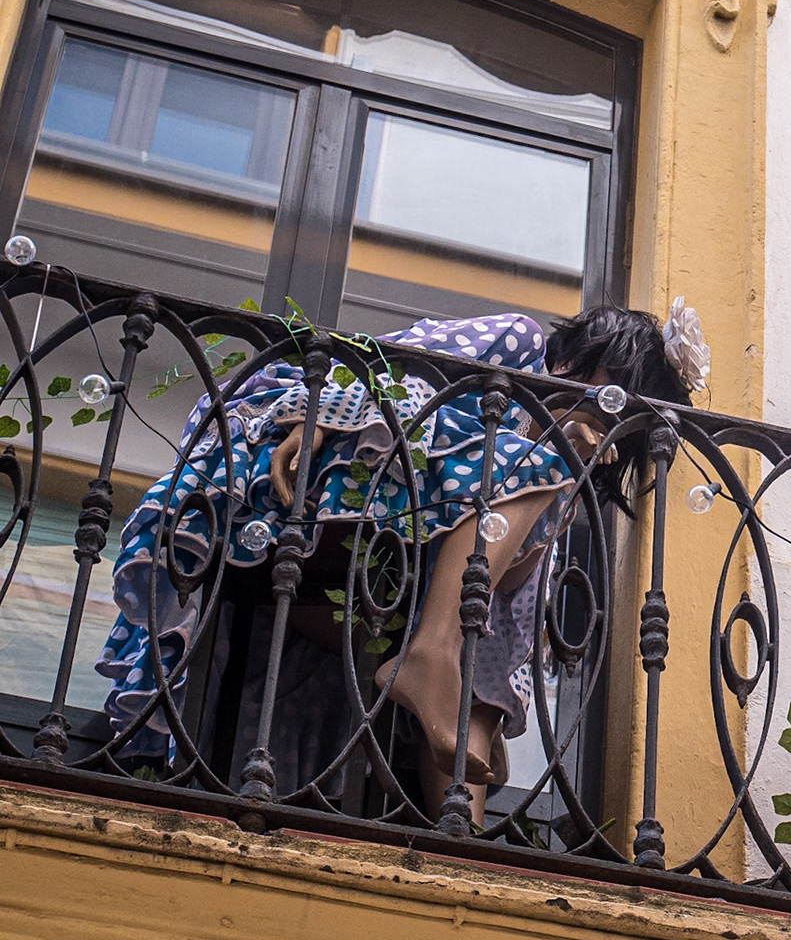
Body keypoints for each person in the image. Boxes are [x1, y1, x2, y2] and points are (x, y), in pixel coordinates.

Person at [96, 299, 708, 819]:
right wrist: (313, 420)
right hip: (329, 463)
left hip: (397, 556)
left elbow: (501, 586)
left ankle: (458, 821)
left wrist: (562, 481)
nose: (602, 424)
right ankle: (432, 661)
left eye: (617, 425)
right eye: (606, 403)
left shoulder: (547, 470)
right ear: (583, 361)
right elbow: (390, 369)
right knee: (530, 466)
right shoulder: (518, 343)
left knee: (503, 586)